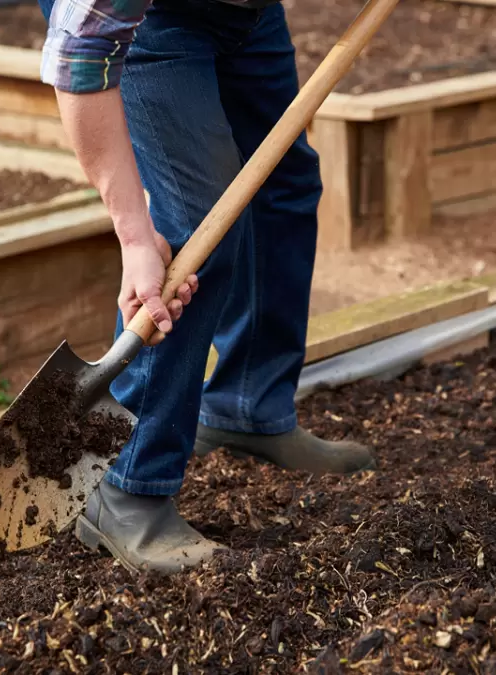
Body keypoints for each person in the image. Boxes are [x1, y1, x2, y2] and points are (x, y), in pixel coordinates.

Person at [36, 0, 377, 575]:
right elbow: (81, 53)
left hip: (246, 11)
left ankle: (249, 406)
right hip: (147, 20)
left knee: (280, 187)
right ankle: (125, 487)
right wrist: (136, 237)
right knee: (199, 224)